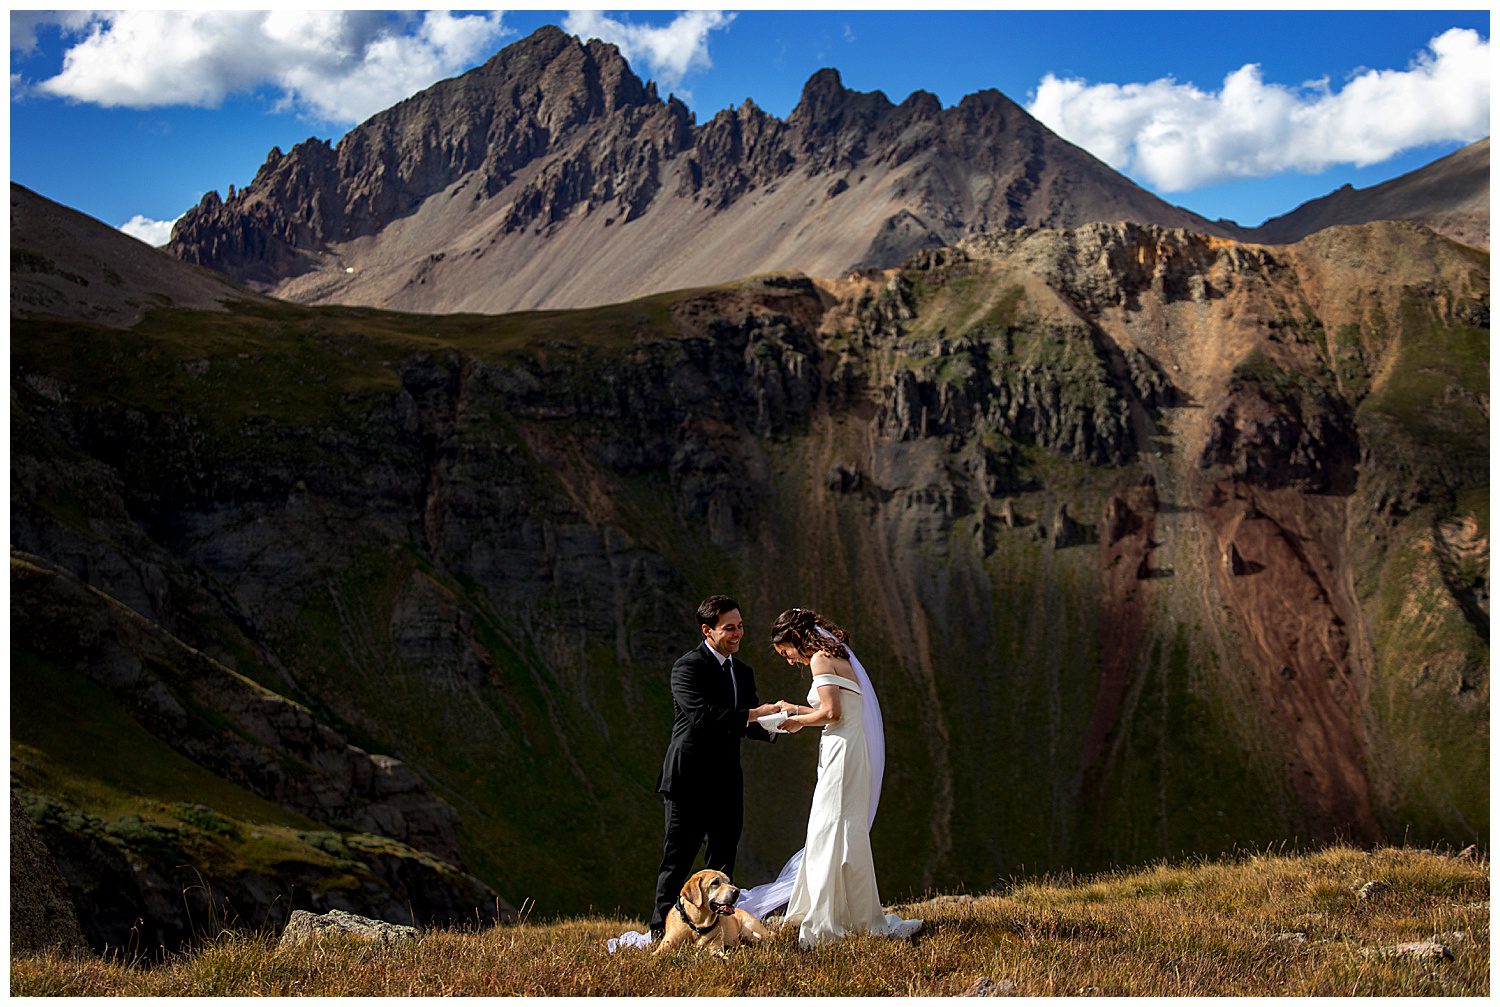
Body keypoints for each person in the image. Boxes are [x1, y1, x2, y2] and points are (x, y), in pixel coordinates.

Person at [737, 607, 922, 949]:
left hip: (843, 751)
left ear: (794, 639)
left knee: (830, 826)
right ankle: (849, 911)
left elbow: (832, 714)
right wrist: (792, 710)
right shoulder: (833, 657)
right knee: (838, 827)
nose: (789, 660)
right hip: (848, 747)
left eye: (786, 653)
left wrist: (796, 720)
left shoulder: (821, 660)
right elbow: (836, 710)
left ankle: (827, 918)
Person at [646, 595, 781, 940]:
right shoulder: (686, 667)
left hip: (727, 779)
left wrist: (784, 722)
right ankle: (661, 931)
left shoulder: (743, 672)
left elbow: (748, 723)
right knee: (678, 859)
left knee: (723, 858)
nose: (738, 634)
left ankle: (715, 931)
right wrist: (756, 713)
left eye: (740, 626)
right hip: (687, 778)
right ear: (707, 630)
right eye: (729, 628)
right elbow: (703, 717)